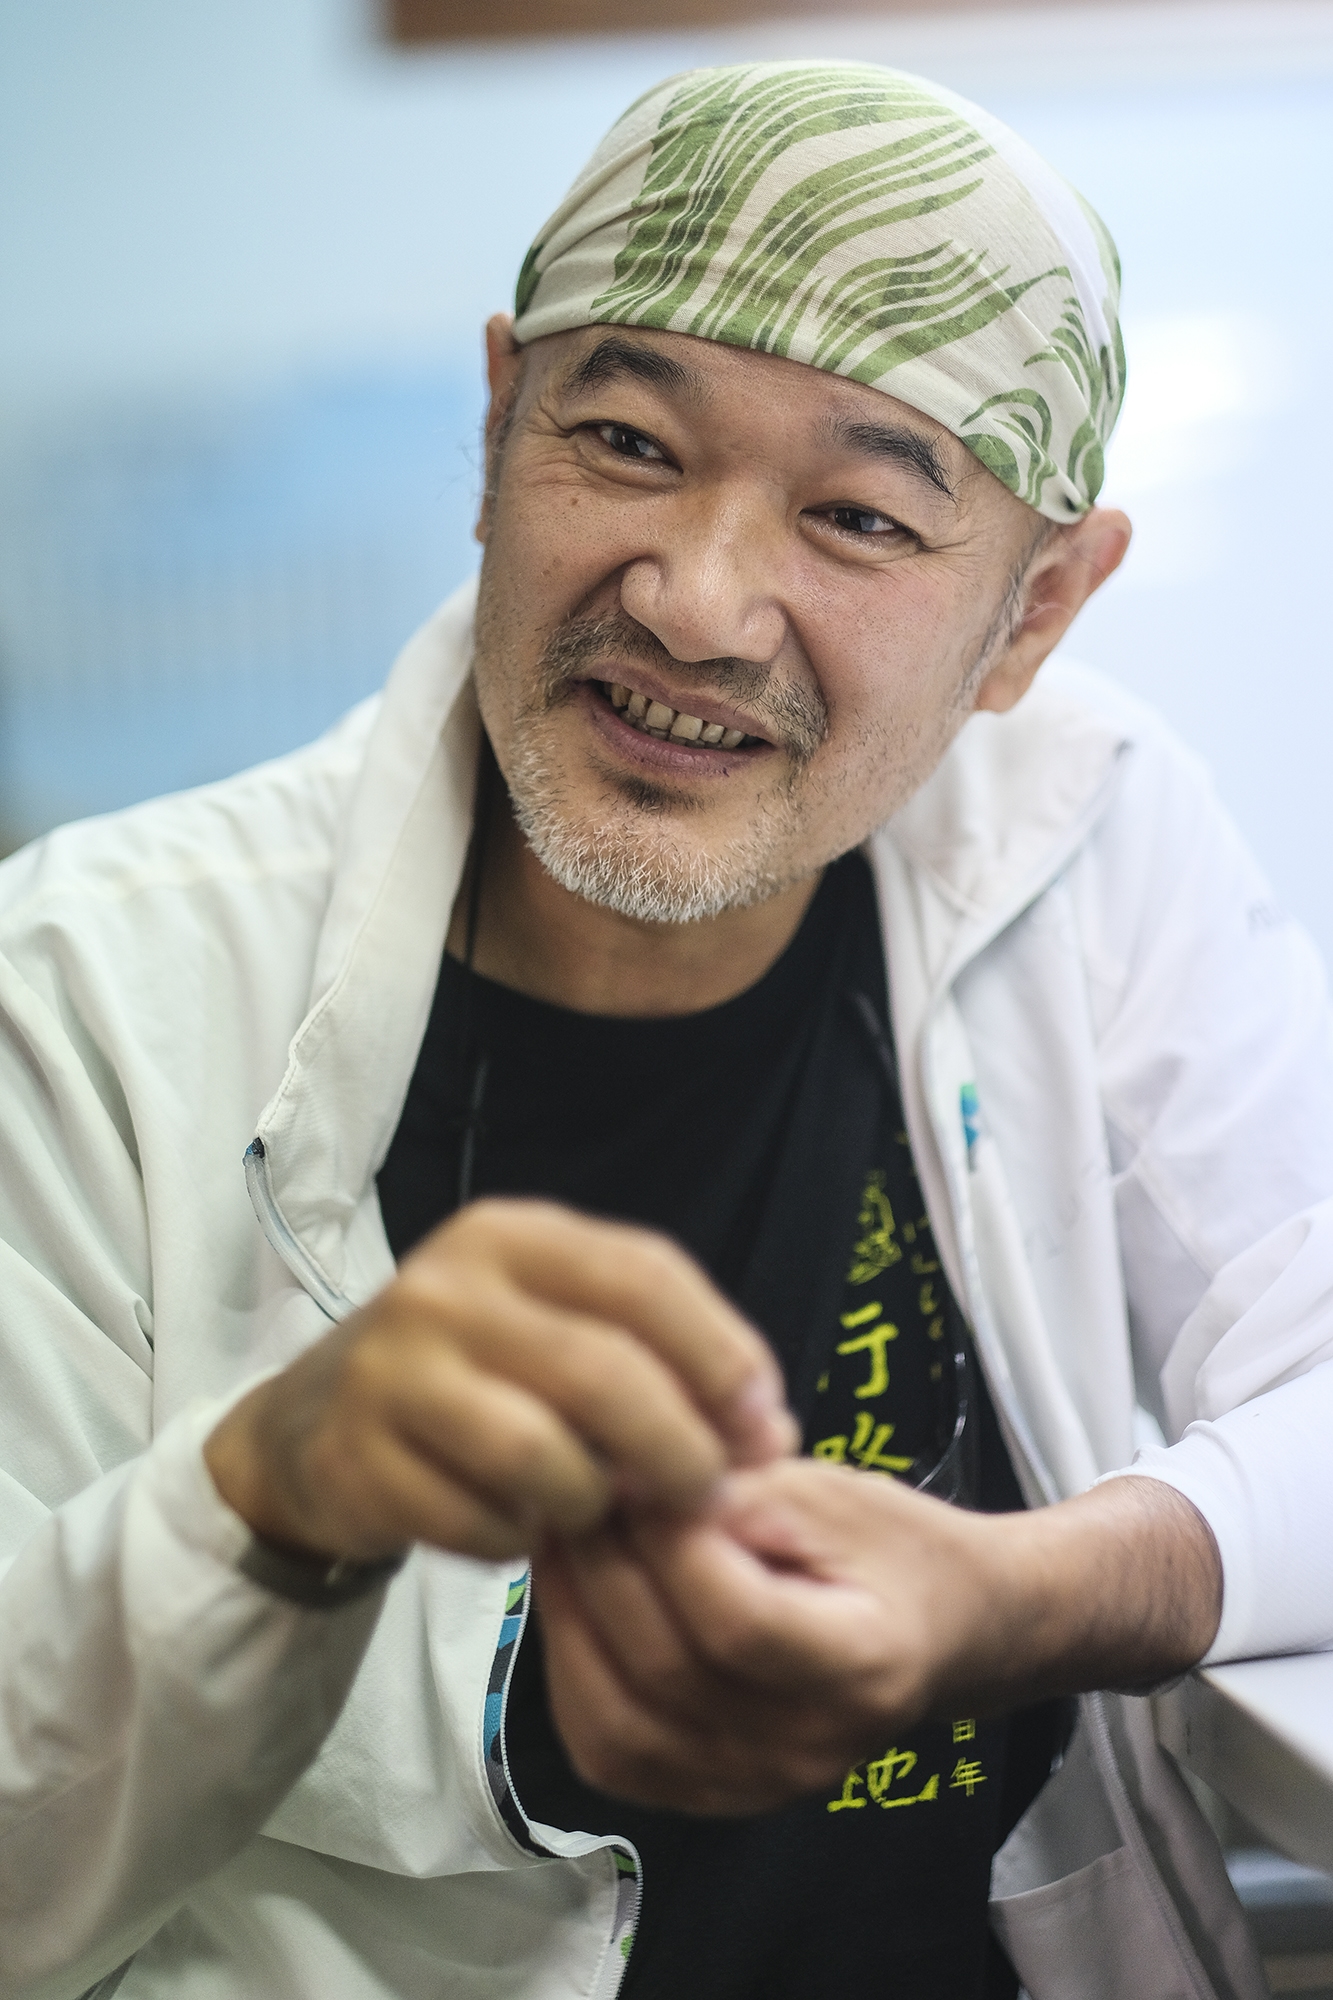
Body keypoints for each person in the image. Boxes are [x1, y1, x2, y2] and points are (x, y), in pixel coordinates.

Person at [1, 55, 1331, 2000]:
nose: (698, 605)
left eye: (858, 518)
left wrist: (1024, 1594)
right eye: (624, 440)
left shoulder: (1085, 835)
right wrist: (271, 1502)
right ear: (495, 429)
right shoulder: (87, 991)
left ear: (1036, 609)